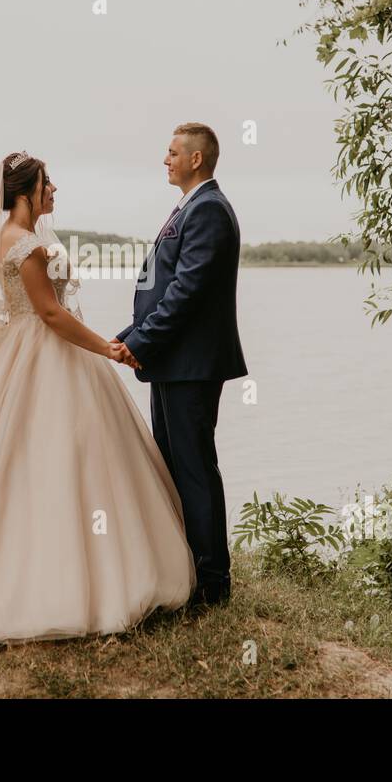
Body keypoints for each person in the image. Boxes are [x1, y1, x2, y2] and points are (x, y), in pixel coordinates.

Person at [0, 151, 195, 646]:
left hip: (33, 350)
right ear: (25, 192)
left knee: (49, 455)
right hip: (44, 351)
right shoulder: (21, 244)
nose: (54, 190)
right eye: (47, 182)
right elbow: (49, 313)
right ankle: (53, 587)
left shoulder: (17, 237)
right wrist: (106, 348)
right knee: (56, 453)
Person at [112, 123, 247, 606]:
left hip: (191, 364)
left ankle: (212, 584)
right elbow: (168, 288)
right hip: (172, 360)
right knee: (173, 465)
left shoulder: (209, 209)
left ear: (196, 159)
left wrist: (142, 341)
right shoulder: (189, 206)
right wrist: (130, 336)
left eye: (172, 153)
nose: (165, 160)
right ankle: (186, 569)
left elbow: (187, 291)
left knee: (194, 468)